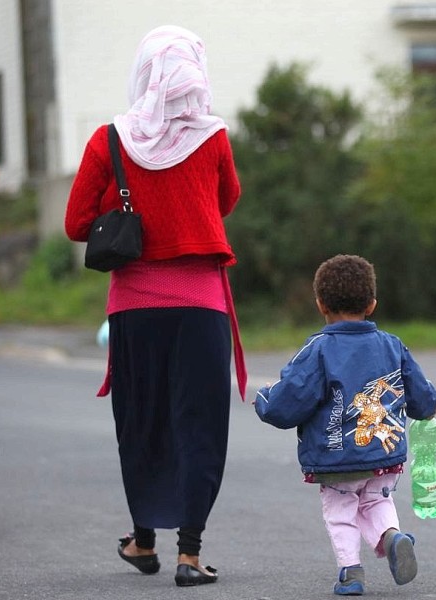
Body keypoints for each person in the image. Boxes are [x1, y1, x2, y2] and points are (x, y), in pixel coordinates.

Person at [64, 25, 245, 587]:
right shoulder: (213, 137)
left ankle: (143, 541)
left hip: (135, 307)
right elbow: (227, 199)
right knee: (201, 424)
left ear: (144, 72)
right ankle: (190, 555)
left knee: (142, 420)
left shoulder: (109, 140)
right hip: (202, 305)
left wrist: (125, 198)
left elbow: (75, 224)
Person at [254, 254, 436, 596]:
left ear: (321, 304)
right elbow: (422, 398)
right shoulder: (392, 345)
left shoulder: (319, 349)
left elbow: (291, 398)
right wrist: (427, 408)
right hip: (384, 454)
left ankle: (350, 571)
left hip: (336, 458)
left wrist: (265, 401)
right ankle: (391, 536)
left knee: (340, 511)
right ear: (371, 304)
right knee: (377, 501)